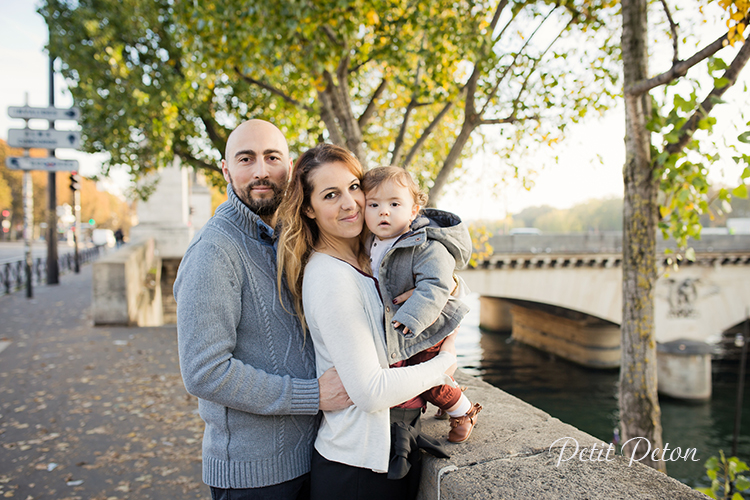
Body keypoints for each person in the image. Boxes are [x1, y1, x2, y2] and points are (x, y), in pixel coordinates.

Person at [173, 120, 351, 500]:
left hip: (310, 460)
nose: (260, 171)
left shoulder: (289, 236)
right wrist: (312, 396)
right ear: (225, 170)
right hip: (253, 478)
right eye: (246, 158)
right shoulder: (214, 250)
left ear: (290, 167)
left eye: (272, 157)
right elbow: (204, 372)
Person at [276, 143, 458, 500]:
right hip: (356, 472)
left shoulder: (372, 257)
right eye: (331, 195)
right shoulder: (329, 277)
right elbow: (370, 391)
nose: (351, 203)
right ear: (309, 210)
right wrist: (444, 365)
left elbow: (440, 278)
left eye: (354, 187)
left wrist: (445, 287)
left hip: (383, 457)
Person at [362, 166, 482, 443]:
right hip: (397, 329)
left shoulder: (426, 245)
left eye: (394, 204)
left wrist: (413, 317)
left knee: (426, 381)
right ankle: (449, 397)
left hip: (424, 329)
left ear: (414, 210)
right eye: (374, 204)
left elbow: (436, 286)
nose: (384, 211)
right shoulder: (370, 243)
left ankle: (465, 412)